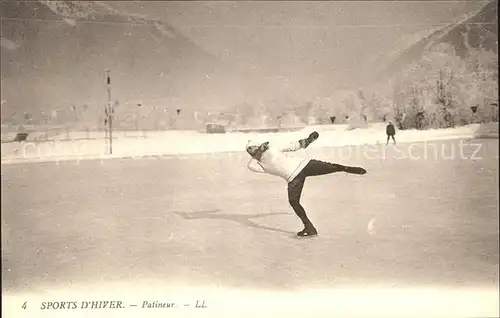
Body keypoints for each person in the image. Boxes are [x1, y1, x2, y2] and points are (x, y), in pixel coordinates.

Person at [246, 132, 367, 238]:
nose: (250, 152)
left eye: (251, 148)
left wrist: (308, 140)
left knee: (330, 167)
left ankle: (348, 169)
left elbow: (293, 146)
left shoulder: (272, 147)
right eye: (248, 150)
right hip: (292, 178)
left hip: (303, 165)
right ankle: (309, 228)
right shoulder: (256, 164)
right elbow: (251, 165)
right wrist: (259, 152)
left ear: (257, 145)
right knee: (293, 201)